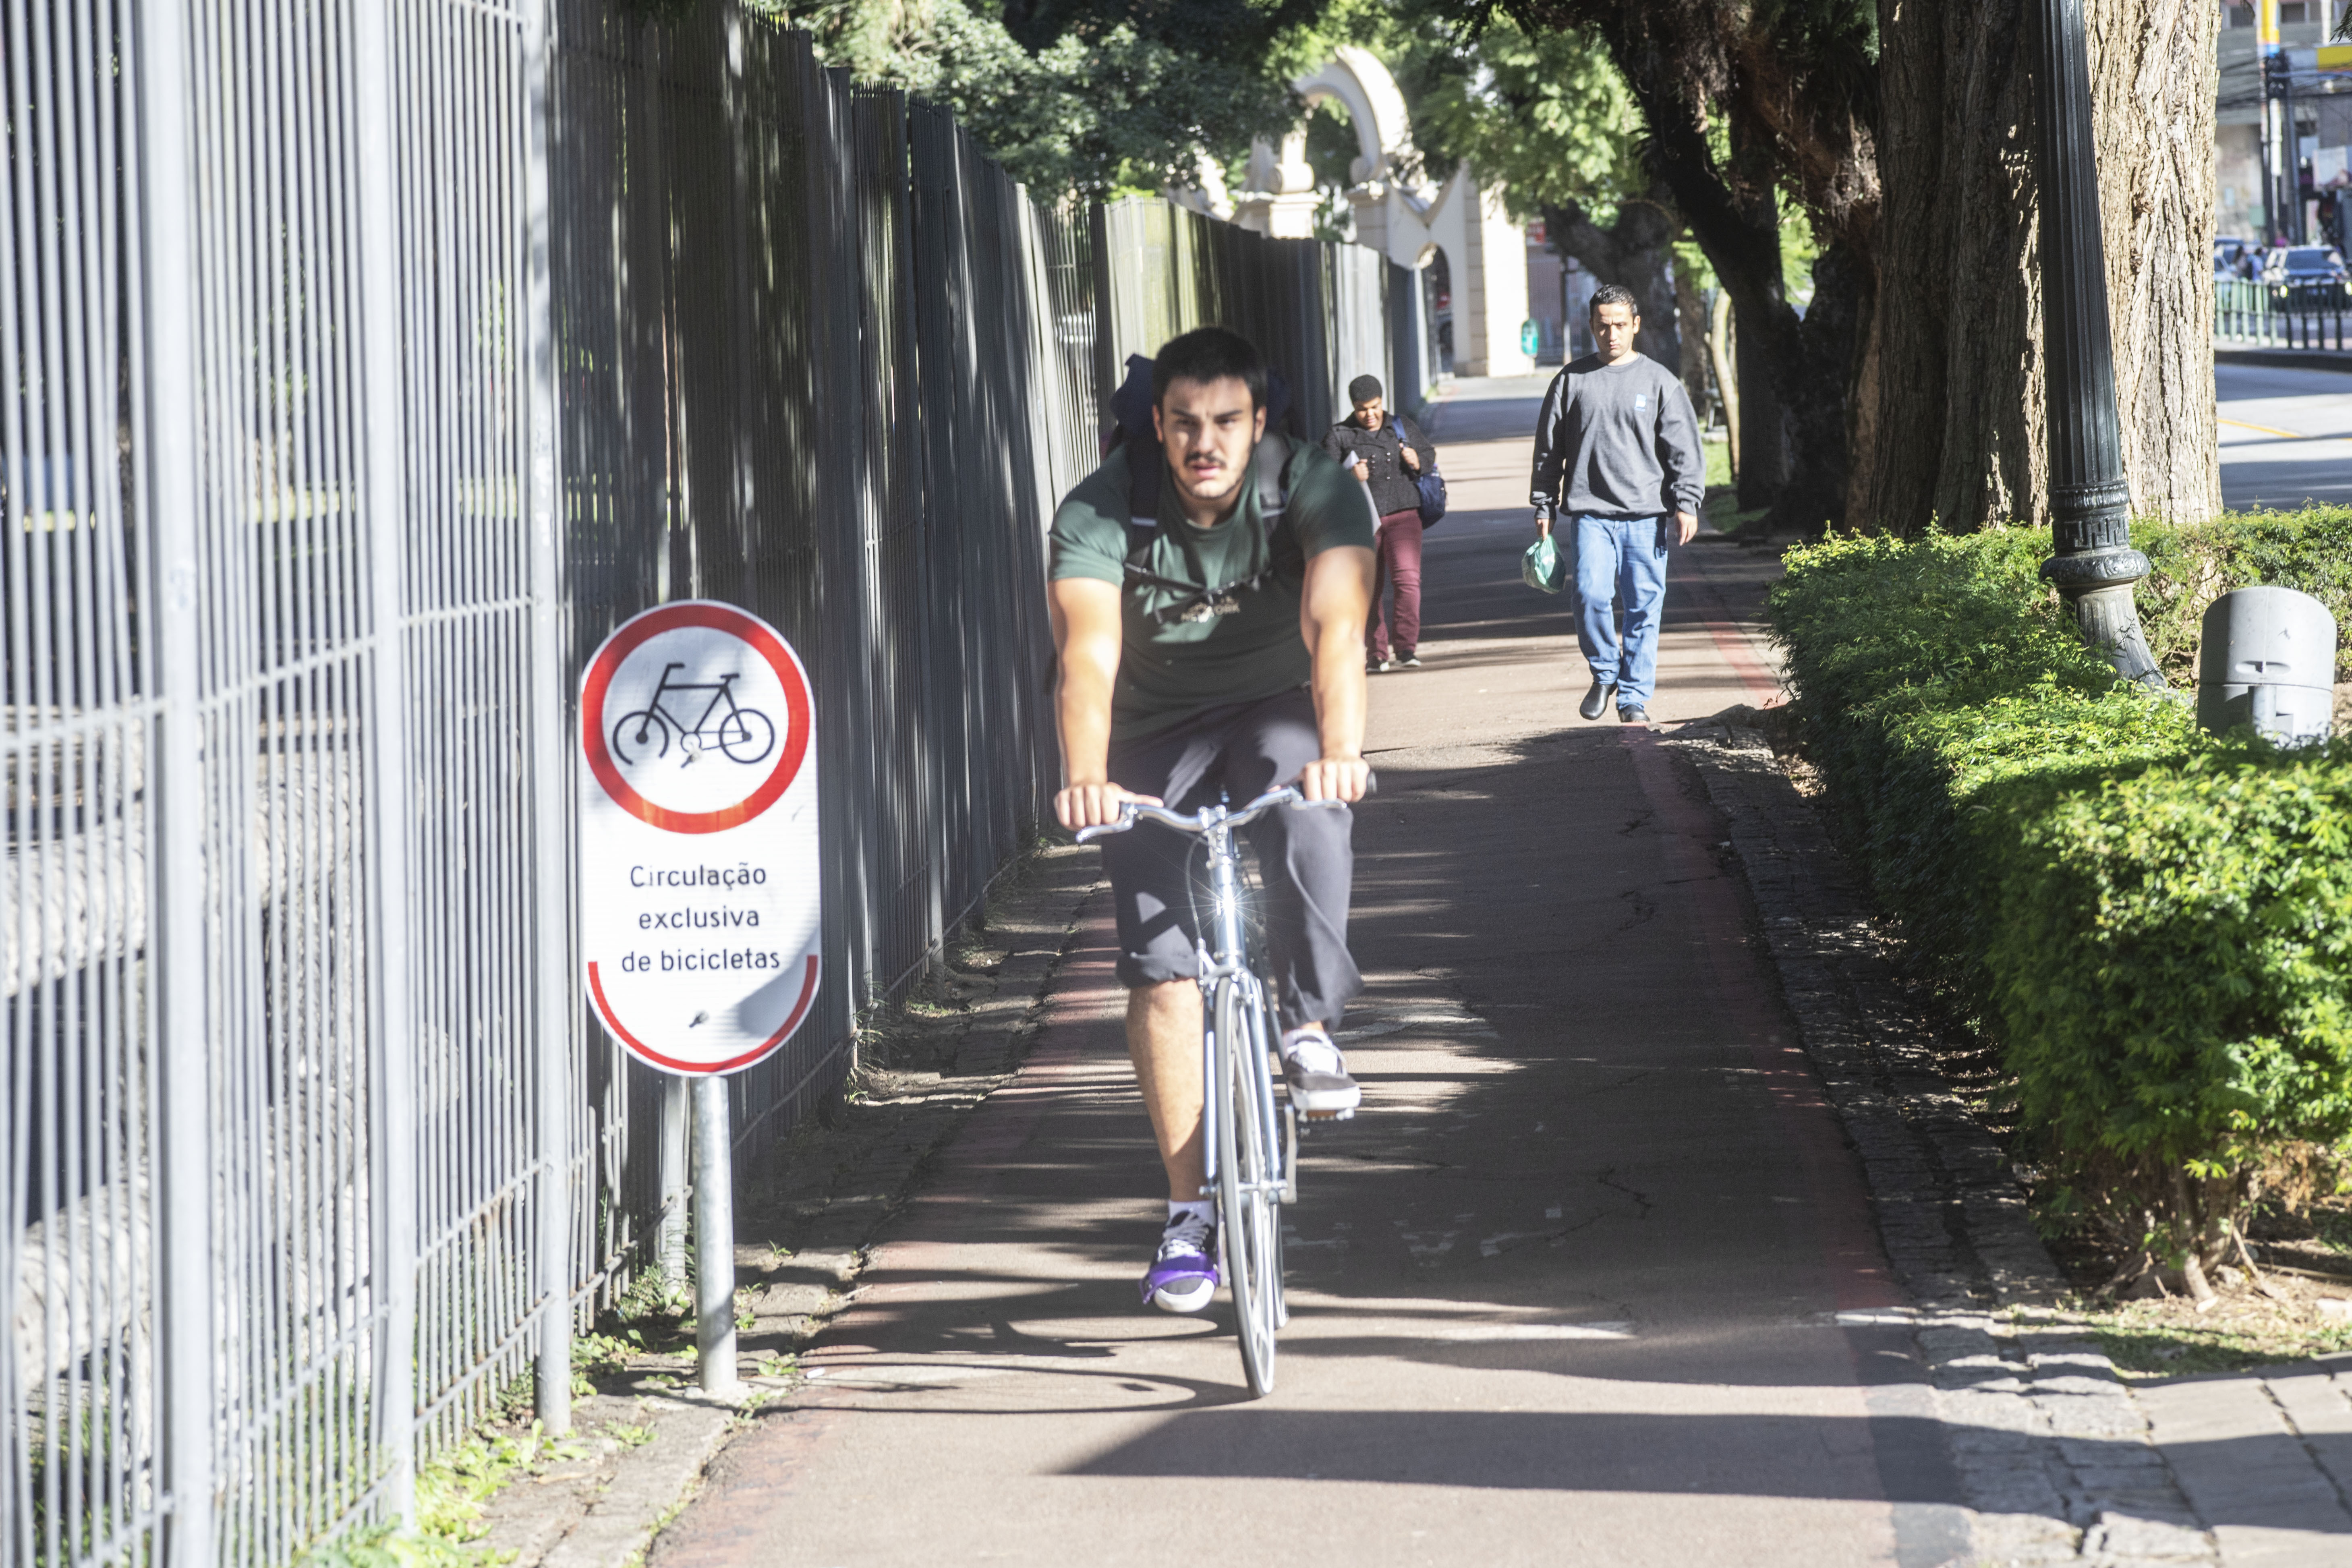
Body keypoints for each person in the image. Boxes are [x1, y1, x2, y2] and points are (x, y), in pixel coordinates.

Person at [1046, 326, 1376, 1315]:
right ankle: (1188, 1214)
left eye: (1226, 422)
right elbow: (1088, 655)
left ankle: (1309, 1025)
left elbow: (1340, 625)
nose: (1205, 443)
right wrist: (1086, 777)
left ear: (1259, 423)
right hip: (1152, 732)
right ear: (1157, 424)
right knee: (1161, 968)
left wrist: (1343, 755)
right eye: (1185, 423)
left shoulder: (1316, 485)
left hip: (1272, 707)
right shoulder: (1103, 507)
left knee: (1309, 803)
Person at [1527, 282, 1703, 725]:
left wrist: (1687, 502)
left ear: (1636, 325)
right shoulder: (1570, 380)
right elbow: (1549, 450)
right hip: (1590, 514)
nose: (1611, 335)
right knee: (1589, 594)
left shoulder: (1659, 381)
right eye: (1603, 326)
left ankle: (1633, 697)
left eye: (1620, 325)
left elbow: (1684, 448)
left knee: (1645, 607)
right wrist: (1544, 504)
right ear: (1591, 326)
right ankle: (1605, 671)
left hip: (1646, 516)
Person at [1322, 374, 1437, 673]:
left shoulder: (1400, 426)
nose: (1370, 415)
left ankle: (1406, 647)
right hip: (1361, 520)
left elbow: (1428, 454)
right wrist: (1348, 477)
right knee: (1368, 588)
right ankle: (1376, 652)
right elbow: (1321, 479)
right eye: (1362, 409)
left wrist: (1416, 460)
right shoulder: (1340, 435)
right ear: (1353, 407)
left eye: (1375, 407)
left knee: (1408, 580)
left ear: (1382, 402)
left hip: (1403, 513)